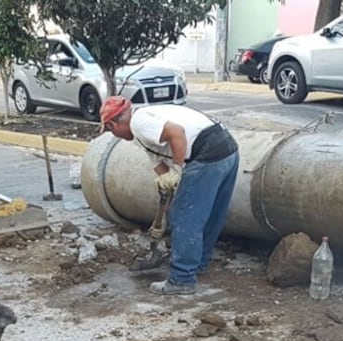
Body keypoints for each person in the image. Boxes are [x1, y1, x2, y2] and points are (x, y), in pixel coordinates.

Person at [100, 96, 239, 296]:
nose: (115, 136)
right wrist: (166, 179)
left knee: (183, 217)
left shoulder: (139, 122)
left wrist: (177, 170)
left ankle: (182, 279)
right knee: (210, 213)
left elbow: (177, 133)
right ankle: (198, 263)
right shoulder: (144, 127)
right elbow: (158, 162)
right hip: (227, 150)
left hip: (207, 153)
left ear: (113, 123)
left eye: (110, 130)